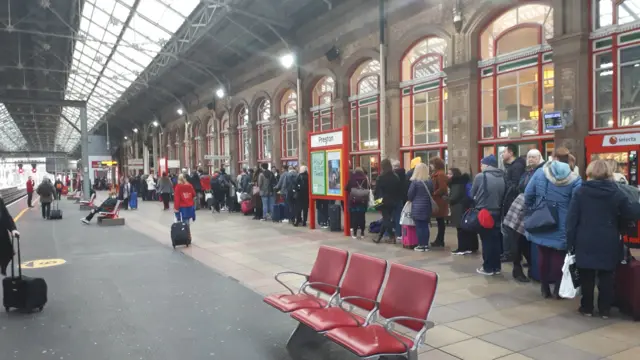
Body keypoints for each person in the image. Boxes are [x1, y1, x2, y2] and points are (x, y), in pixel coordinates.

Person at [524, 147, 581, 298]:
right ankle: (557, 289)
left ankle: (544, 288)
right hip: (563, 223)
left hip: (543, 219)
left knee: (543, 255)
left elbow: (528, 195)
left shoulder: (540, 173)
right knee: (559, 257)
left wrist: (534, 209)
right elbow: (577, 204)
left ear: (553, 157)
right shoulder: (575, 179)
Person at [472, 154, 507, 276]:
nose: (480, 166)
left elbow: (472, 193)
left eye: (482, 164)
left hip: (484, 213)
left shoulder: (481, 176)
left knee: (486, 240)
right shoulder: (502, 176)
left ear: (486, 165)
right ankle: (496, 267)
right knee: (496, 240)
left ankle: (487, 267)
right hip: (498, 212)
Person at [501, 144, 527, 262]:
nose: (502, 154)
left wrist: (506, 183)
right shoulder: (511, 166)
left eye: (504, 151)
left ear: (511, 153)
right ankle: (511, 253)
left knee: (509, 230)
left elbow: (515, 186)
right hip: (510, 201)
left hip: (512, 202)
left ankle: (511, 254)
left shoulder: (516, 167)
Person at [447, 168, 477, 255]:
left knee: (460, 229)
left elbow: (454, 198)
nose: (447, 175)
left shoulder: (456, 184)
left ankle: (462, 248)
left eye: (449, 174)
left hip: (459, 208)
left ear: (454, 175)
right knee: (466, 228)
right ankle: (470, 247)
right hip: (464, 207)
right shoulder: (463, 182)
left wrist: (445, 198)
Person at [407, 163, 435, 252]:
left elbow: (410, 195)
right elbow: (432, 192)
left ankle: (421, 245)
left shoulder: (415, 182)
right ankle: (426, 245)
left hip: (417, 207)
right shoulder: (430, 181)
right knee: (425, 226)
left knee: (419, 227)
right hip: (427, 206)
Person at [374, 159, 402, 243]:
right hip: (393, 201)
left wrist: (376, 202)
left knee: (386, 219)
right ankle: (379, 237)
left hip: (382, 201)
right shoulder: (396, 177)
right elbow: (398, 190)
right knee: (386, 218)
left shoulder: (381, 177)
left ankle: (392, 236)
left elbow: (377, 191)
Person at [429, 157, 449, 248]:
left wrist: (434, 193)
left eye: (432, 164)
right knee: (440, 221)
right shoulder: (436, 174)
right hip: (437, 200)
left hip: (439, 201)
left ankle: (440, 240)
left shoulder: (440, 174)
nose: (430, 166)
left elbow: (443, 188)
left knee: (440, 221)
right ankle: (439, 240)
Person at [346, 167, 370, 239]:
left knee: (354, 217)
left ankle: (355, 233)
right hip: (362, 201)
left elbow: (346, 188)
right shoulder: (365, 179)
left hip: (354, 201)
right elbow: (368, 188)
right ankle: (362, 233)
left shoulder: (352, 179)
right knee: (362, 216)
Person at [0, 196, 20, 275]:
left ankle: (3, 273)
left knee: (5, 258)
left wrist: (13, 229)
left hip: (1, 236)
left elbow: (5, 216)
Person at [392, 160, 407, 241]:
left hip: (393, 198)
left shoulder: (394, 176)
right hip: (401, 197)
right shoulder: (404, 175)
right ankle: (399, 233)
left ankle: (390, 232)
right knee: (399, 215)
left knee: (391, 215)